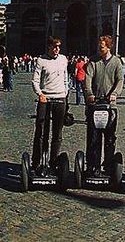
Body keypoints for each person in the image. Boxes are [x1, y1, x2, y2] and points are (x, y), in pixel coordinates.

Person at [84, 36, 124, 174]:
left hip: (110, 106)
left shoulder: (117, 62)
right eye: (99, 47)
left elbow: (120, 80)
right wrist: (89, 94)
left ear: (108, 47)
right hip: (94, 104)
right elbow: (87, 79)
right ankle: (92, 165)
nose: (99, 49)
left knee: (110, 138)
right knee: (93, 137)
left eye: (102, 47)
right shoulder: (93, 62)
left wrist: (115, 94)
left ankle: (108, 165)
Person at [30, 36, 69, 172]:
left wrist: (65, 93)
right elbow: (35, 80)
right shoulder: (41, 60)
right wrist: (40, 94)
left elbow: (65, 79)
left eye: (59, 47)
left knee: (57, 133)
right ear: (49, 46)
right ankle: (36, 161)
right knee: (41, 131)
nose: (57, 49)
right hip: (45, 98)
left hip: (60, 98)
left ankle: (54, 161)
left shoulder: (63, 59)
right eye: (54, 46)